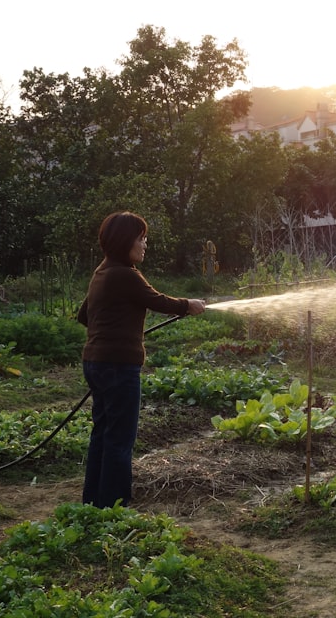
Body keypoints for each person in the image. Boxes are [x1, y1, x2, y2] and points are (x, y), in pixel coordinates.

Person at [76, 211, 206, 508]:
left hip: (95, 363)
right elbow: (158, 301)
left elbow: (85, 316)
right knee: (120, 439)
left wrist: (114, 329)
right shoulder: (125, 274)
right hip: (119, 368)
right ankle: (114, 507)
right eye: (141, 238)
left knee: (102, 434)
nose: (145, 244)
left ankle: (93, 502)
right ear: (126, 241)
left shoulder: (103, 271)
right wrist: (189, 305)